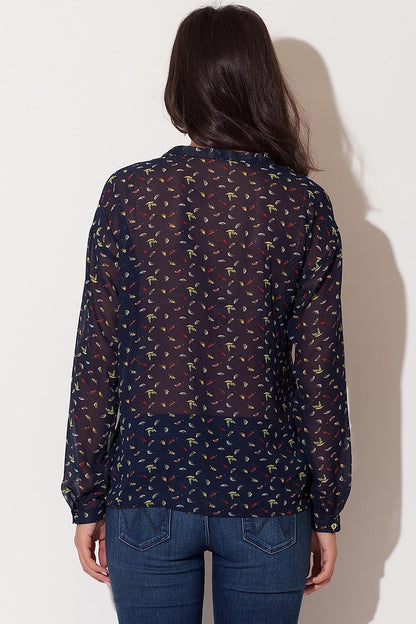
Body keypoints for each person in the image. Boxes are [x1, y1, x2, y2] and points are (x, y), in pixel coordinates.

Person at [60, 3, 352, 623]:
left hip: (149, 485)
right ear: (263, 86)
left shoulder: (129, 194)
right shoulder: (300, 205)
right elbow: (320, 376)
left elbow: (96, 357)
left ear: (180, 87)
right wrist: (326, 509)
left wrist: (86, 495)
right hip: (267, 493)